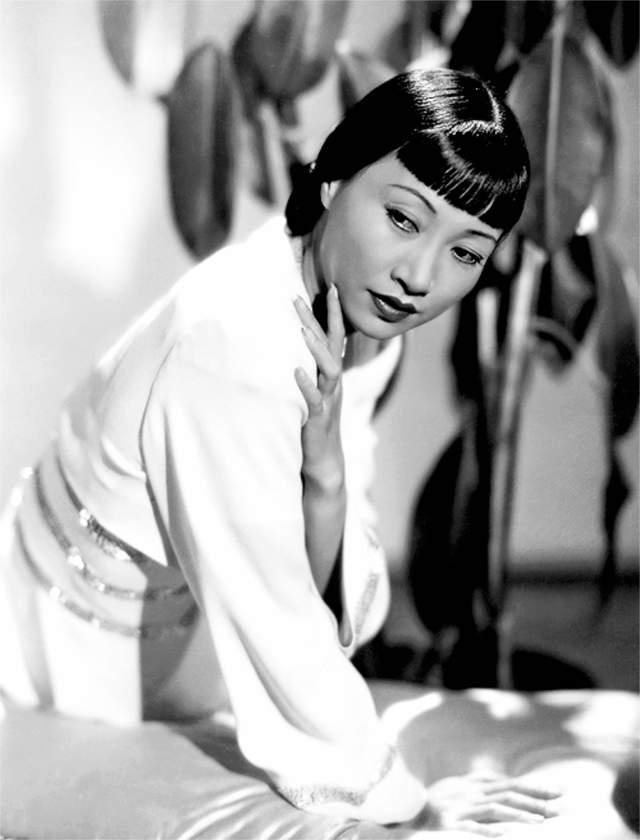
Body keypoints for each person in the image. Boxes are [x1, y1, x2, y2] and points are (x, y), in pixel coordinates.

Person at [0, 69, 561, 836]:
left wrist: (325, 471)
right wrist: (409, 803)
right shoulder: (232, 345)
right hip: (71, 662)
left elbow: (309, 577)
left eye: (466, 253)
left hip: (189, 640)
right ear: (333, 178)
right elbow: (276, 614)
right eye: (403, 218)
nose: (420, 276)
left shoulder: (354, 315)